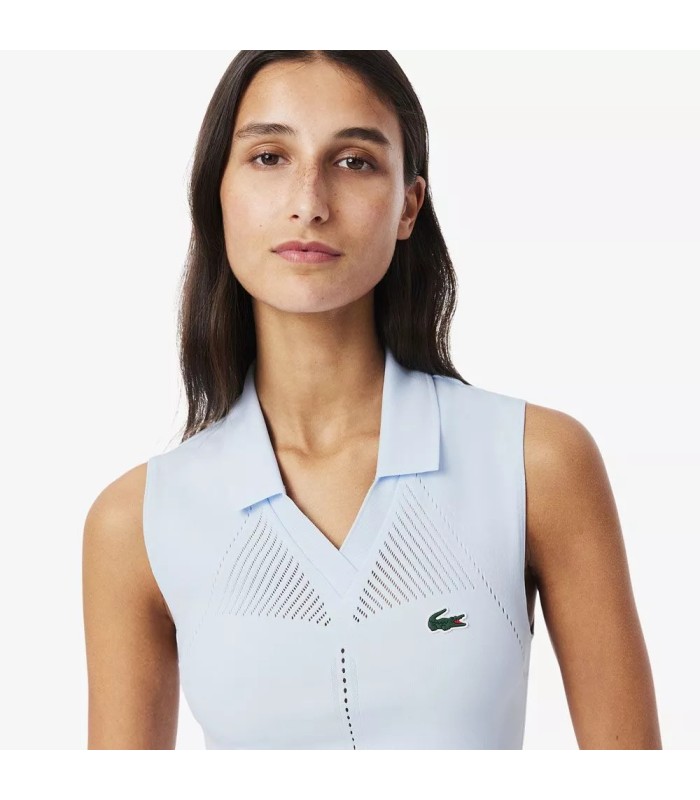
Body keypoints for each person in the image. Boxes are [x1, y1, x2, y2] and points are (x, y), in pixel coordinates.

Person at [82, 50, 662, 749]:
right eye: (269, 157)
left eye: (354, 161)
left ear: (408, 206)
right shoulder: (135, 522)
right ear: (217, 192)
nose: (309, 203)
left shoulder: (535, 462)